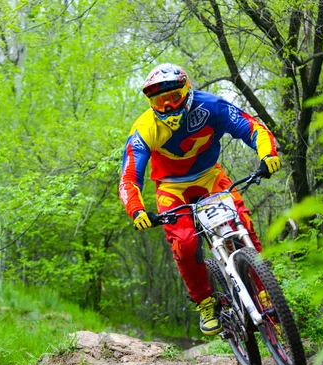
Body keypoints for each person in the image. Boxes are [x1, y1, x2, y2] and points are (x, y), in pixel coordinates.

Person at [119, 63, 281, 336]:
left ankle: (264, 292)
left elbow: (251, 127)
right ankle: (205, 302)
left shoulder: (211, 107)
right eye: (160, 100)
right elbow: (129, 176)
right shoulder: (145, 127)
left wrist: (267, 154)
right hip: (171, 188)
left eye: (174, 97)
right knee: (184, 243)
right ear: (151, 102)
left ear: (187, 90)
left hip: (210, 177)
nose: (168, 106)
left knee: (242, 222)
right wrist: (137, 210)